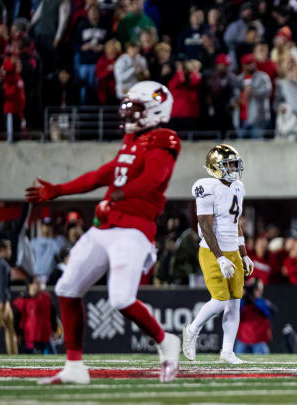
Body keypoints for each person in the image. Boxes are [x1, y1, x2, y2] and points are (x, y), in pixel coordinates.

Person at [24, 80, 182, 384]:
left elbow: (153, 179)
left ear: (155, 110)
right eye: (128, 108)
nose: (129, 115)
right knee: (66, 288)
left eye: (136, 109)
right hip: (107, 225)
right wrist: (59, 190)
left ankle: (166, 341)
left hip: (134, 229)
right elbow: (103, 174)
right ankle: (74, 366)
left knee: (122, 298)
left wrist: (116, 197)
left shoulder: (164, 138)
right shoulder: (132, 140)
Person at [182, 144, 253, 365]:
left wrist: (244, 254)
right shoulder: (207, 187)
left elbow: (237, 224)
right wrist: (220, 257)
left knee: (234, 302)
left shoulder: (238, 187)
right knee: (220, 300)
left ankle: (227, 351)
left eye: (234, 164)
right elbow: (204, 224)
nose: (233, 168)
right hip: (213, 251)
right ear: (216, 167)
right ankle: (192, 330)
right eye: (228, 164)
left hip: (233, 250)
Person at [235, 278, 274, 354]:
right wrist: (244, 296)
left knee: (262, 364)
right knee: (237, 363)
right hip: (243, 339)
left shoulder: (261, 301)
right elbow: (236, 313)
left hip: (259, 340)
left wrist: (254, 298)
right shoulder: (242, 302)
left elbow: (268, 312)